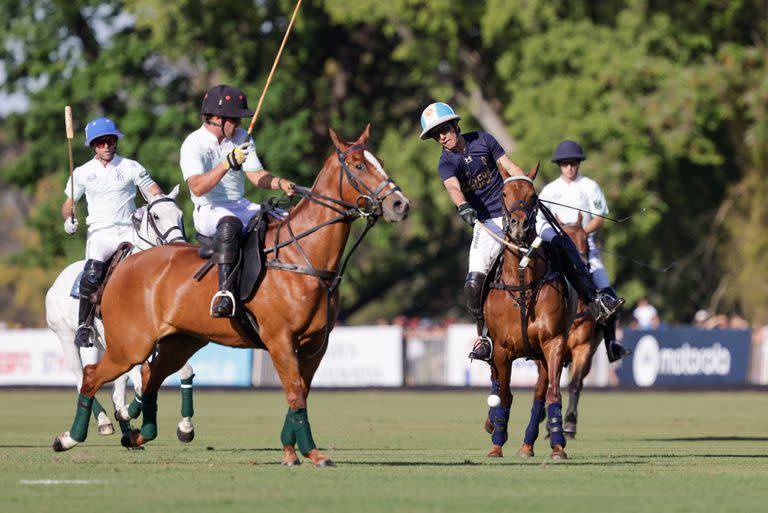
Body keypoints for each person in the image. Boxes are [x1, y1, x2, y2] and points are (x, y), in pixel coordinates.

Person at [419, 102, 624, 362]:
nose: (442, 136)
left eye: (444, 129)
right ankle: (484, 337)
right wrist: (463, 206)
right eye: (436, 134)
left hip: (516, 212)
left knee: (561, 243)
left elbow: (511, 167)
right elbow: (453, 188)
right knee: (473, 282)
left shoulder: (484, 139)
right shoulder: (446, 163)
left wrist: (526, 189)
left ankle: (594, 301)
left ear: (455, 125)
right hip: (487, 223)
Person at [180, 84, 296, 317]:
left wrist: (280, 183)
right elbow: (198, 187)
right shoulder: (194, 143)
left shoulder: (241, 137)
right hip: (208, 209)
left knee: (286, 221)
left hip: (239, 203)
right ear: (216, 119)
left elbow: (256, 176)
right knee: (229, 224)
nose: (240, 124)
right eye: (236, 119)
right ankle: (224, 293)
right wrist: (226, 164)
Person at [62, 117, 164, 348]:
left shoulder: (130, 166)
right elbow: (69, 203)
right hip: (101, 233)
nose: (106, 146)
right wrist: (68, 218)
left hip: (130, 230)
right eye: (100, 143)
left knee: (154, 264)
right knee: (92, 274)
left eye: (110, 141)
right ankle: (84, 326)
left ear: (115, 142)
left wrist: (159, 200)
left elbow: (151, 188)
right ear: (93, 146)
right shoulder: (81, 172)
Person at [536, 140, 629, 362]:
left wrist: (581, 235)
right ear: (559, 165)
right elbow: (539, 219)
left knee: (610, 295)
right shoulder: (550, 190)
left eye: (574, 163)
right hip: (556, 251)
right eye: (565, 163)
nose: (570, 167)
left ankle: (611, 344)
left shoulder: (590, 186)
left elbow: (598, 218)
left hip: (586, 248)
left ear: (579, 164)